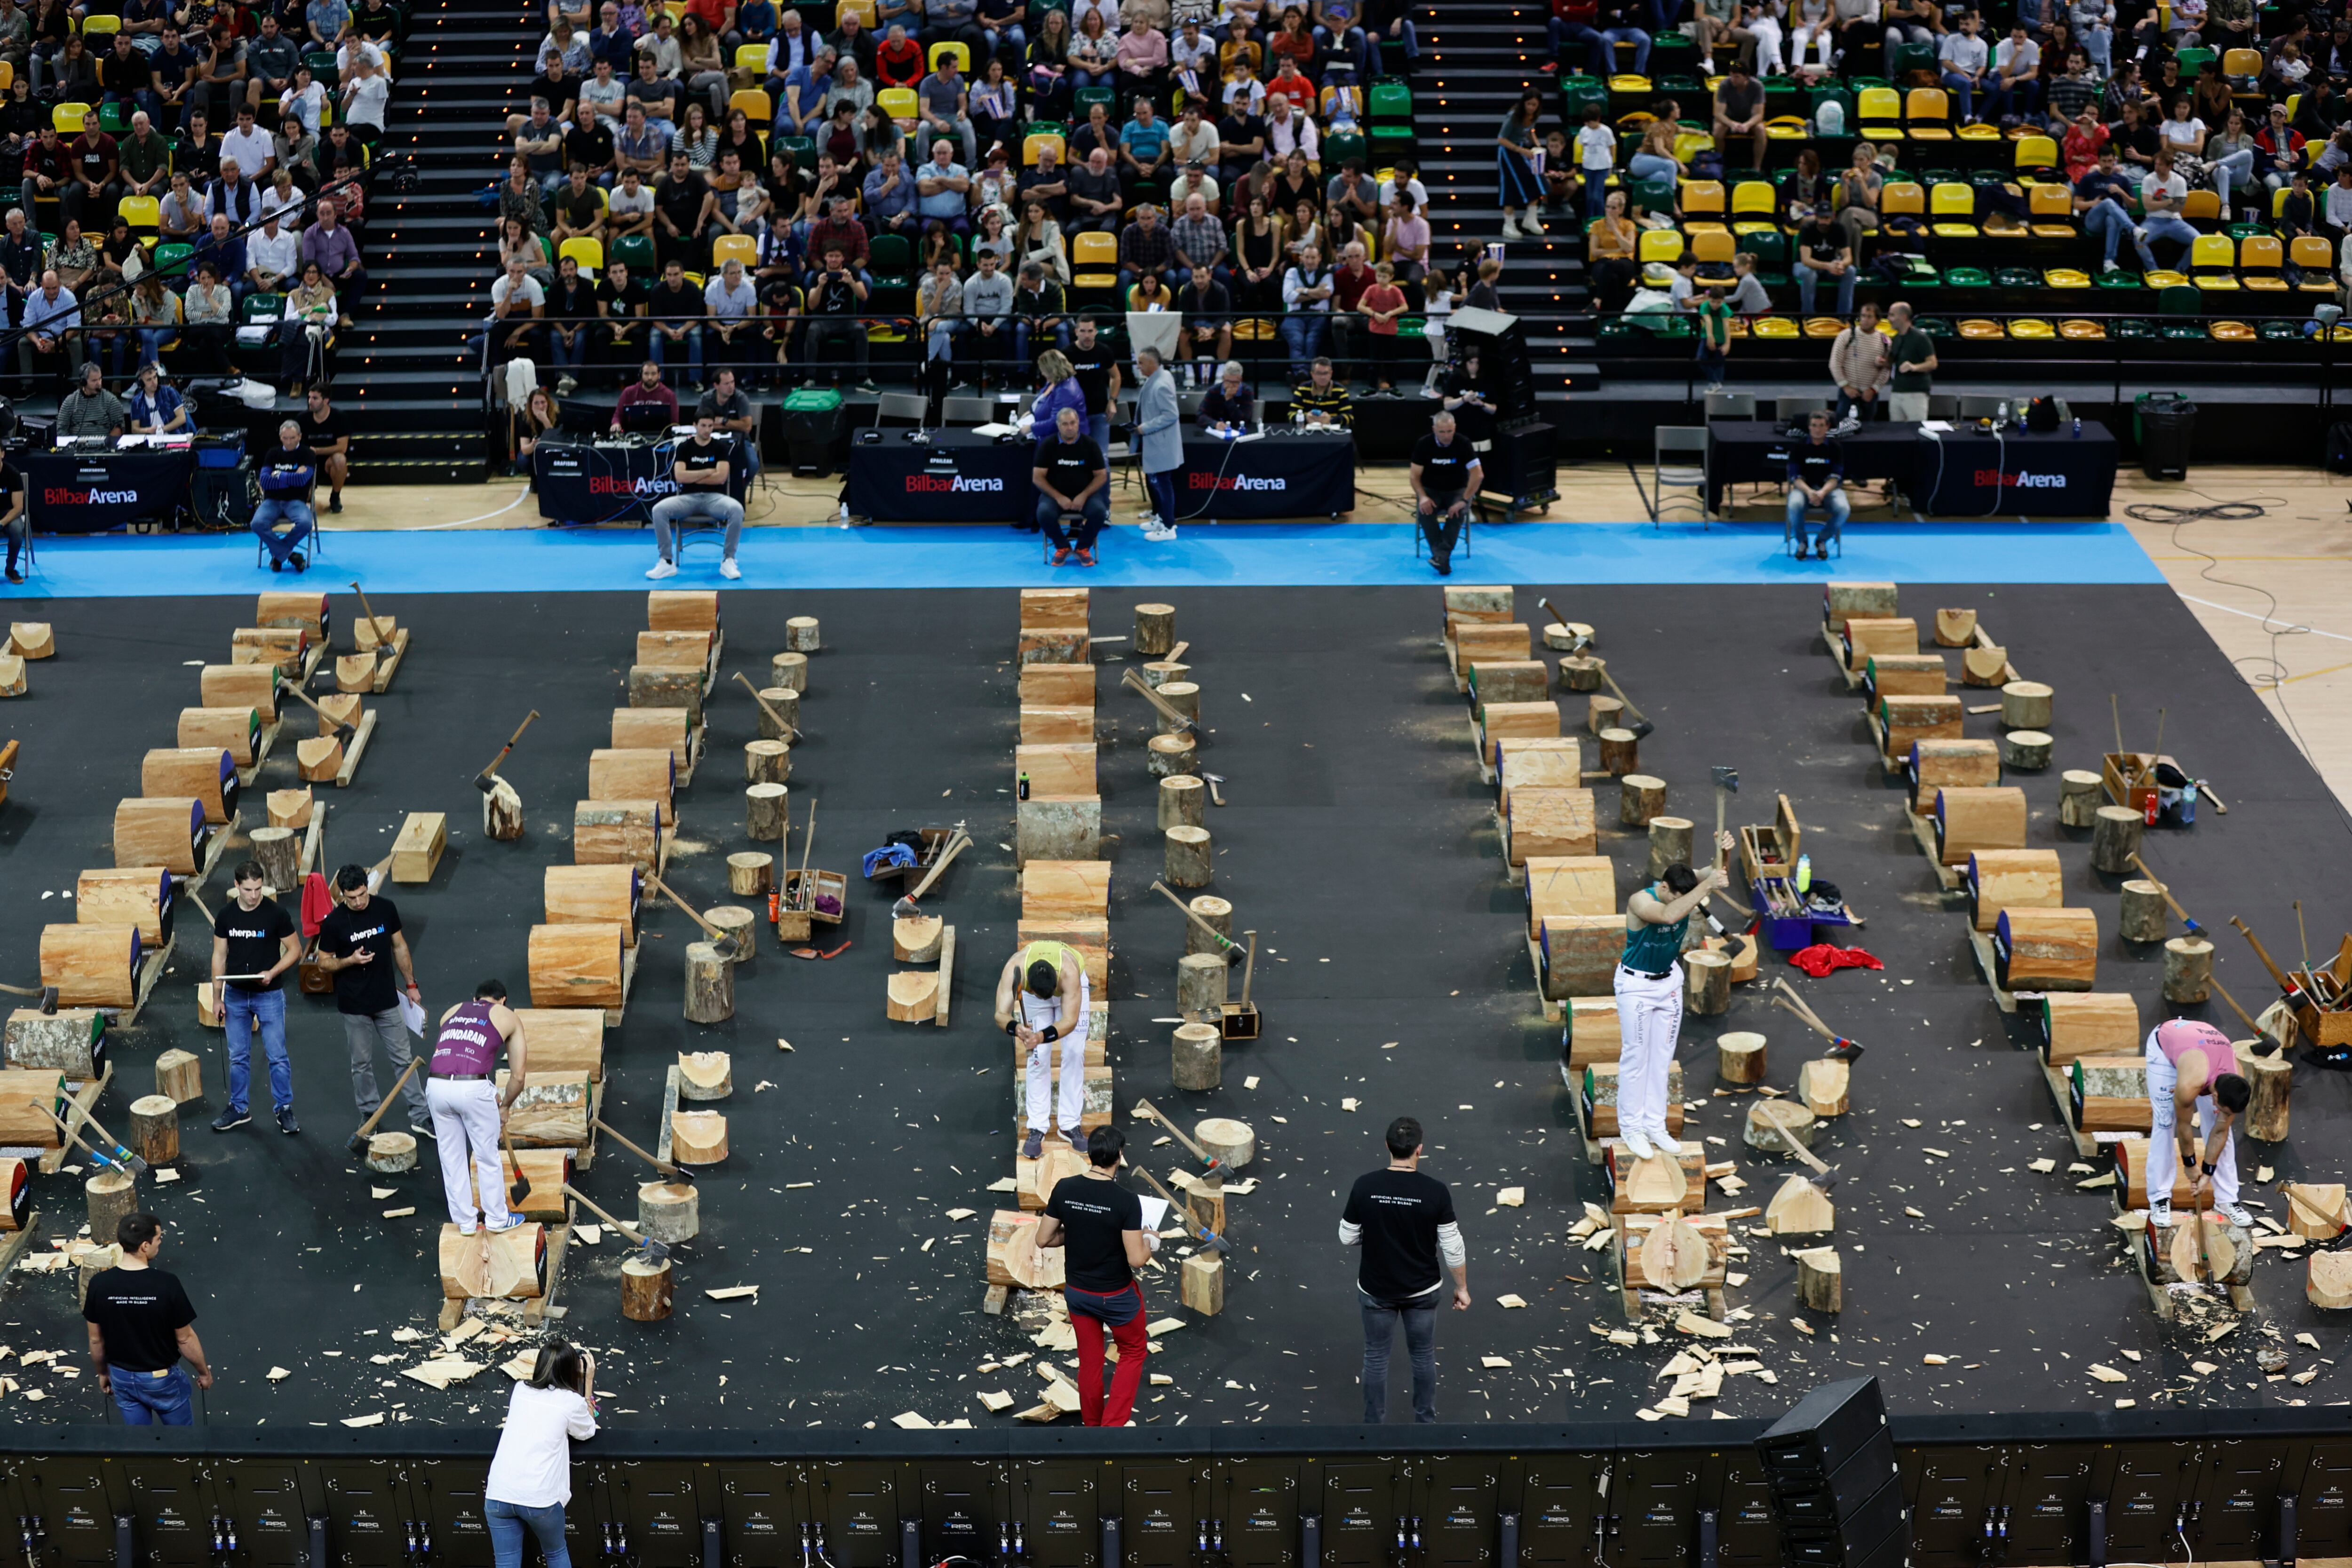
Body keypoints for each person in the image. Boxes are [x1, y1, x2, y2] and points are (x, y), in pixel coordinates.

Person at [1339, 1116, 1468, 1425]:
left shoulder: (1365, 1185)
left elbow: (1347, 1237)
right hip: (1422, 1291)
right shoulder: (1436, 1191)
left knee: (1376, 1357)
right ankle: (1426, 1423)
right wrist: (1461, 1288)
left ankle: (1373, 1428)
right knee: (1423, 1357)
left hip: (1376, 1290)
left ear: (1387, 1146)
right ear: (1419, 1150)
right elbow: (1452, 1247)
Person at [1613, 841, 1731, 1159]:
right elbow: (1668, 916)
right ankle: (1631, 1127)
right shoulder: (1641, 900)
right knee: (1636, 1059)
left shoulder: (1687, 882)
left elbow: (1715, 871)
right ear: (1663, 887)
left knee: (1662, 1058)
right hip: (1636, 986)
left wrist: (1724, 852)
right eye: (1678, 898)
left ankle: (1655, 1124)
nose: (1684, 907)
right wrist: (1706, 886)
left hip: (1668, 982)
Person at [1036, 1125, 1155, 1426]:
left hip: (1078, 1293)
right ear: (1120, 1156)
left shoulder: (1065, 1188)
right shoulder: (1127, 1201)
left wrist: (1077, 1230)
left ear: (1090, 1155)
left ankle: (1092, 1427)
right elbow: (1137, 1260)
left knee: (1090, 1362)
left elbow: (1044, 1239)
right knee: (1132, 1352)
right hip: (1116, 1296)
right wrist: (1152, 1240)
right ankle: (1111, 1431)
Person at [315, 861, 430, 1140]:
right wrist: (350, 961)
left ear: (368, 887)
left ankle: (421, 1115)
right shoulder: (333, 923)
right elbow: (323, 964)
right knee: (362, 1064)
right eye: (351, 897)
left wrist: (411, 985)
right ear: (342, 894)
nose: (358, 902)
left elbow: (400, 945)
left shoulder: (385, 908)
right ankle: (370, 1113)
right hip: (354, 1006)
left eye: (362, 895)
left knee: (404, 1059)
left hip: (387, 1000)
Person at [83, 1213, 211, 1426]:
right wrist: (203, 1373)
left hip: (121, 1377)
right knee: (181, 1442)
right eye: (158, 1238)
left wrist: (103, 1373)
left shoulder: (98, 1284)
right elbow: (185, 1339)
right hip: (161, 1380)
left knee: (140, 1443)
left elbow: (96, 1340)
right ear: (144, 1246)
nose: (160, 1243)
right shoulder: (167, 1284)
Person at [427, 979, 529, 1234]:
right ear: (503, 1000)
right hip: (473, 1086)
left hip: (436, 1085)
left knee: (451, 1156)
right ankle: (497, 1218)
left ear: (475, 999)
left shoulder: (451, 1011)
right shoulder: (508, 1016)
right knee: (486, 1155)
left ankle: (465, 1222)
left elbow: (451, 1051)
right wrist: (504, 1105)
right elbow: (518, 1076)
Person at [486, 1340, 599, 1568]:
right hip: (539, 1499)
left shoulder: (519, 1389)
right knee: (556, 1554)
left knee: (506, 1563)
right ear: (571, 1370)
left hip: (498, 1495)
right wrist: (587, 1381)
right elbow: (587, 1429)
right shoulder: (570, 1402)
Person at [210, 858, 302, 1134]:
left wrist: (273, 972)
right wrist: (217, 998)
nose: (254, 896)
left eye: (258, 889)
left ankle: (284, 1109)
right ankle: (239, 1108)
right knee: (238, 1056)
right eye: (248, 890)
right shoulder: (226, 916)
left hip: (269, 995)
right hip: (236, 996)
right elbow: (219, 956)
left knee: (278, 1056)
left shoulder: (275, 914)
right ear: (236, 885)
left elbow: (296, 950)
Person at [2145, 1018, 2256, 1227]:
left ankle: (2227, 1200)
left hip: (2203, 1041)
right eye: (2222, 1108)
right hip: (2166, 1044)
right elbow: (2184, 1126)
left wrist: (2207, 1173)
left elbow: (2220, 1131)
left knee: (2223, 1128)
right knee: (2164, 1122)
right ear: (2214, 1096)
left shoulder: (2236, 1080)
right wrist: (2190, 1165)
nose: (2224, 1113)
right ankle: (2159, 1197)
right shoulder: (2190, 1084)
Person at [995, 936, 1091, 1158]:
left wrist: (1040, 1035)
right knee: (1038, 1057)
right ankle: (1037, 1127)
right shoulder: (1014, 969)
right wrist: (1016, 1028)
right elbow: (1000, 1014)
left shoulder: (1069, 973)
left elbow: (1069, 1021)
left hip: (1069, 993)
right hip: (1032, 999)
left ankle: (1069, 1124)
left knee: (1074, 1052)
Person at [647, 413, 744, 578]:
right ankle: (667, 562)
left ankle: (729, 560)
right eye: (703, 426)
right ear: (695, 425)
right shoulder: (684, 448)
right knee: (659, 510)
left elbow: (721, 478)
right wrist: (708, 471)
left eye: (710, 426)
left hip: (715, 498)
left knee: (737, 509)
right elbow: (680, 477)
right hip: (688, 498)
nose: (707, 430)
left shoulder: (720, 447)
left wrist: (693, 475)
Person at [1032, 406, 1109, 566]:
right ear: (1059, 425)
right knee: (1044, 513)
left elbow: (1101, 476)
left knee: (1100, 512)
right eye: (1065, 424)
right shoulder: (1048, 445)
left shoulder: (1090, 445)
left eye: (1073, 423)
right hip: (1055, 495)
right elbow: (1038, 478)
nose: (1070, 427)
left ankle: (1083, 548)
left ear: (1078, 422)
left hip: (1085, 494)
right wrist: (1059, 497)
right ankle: (1063, 547)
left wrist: (1084, 495)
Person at [1408, 410, 1480, 576]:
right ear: (1434, 429)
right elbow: (1414, 476)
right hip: (1432, 490)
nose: (1447, 436)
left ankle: (1440, 556)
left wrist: (1464, 500)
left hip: (1457, 490)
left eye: (1450, 431)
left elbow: (1478, 474)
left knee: (1459, 512)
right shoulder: (1424, 444)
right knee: (1425, 511)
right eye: (1442, 432)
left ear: (1455, 428)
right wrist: (1423, 497)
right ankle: (1442, 557)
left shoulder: (1464, 443)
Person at [251, 419, 318, 571]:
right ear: (281, 437)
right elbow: (265, 482)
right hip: (272, 501)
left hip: (296, 501)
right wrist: (292, 476)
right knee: (256, 524)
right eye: (285, 438)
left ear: (300, 437)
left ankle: (279, 555)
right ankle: (290, 555)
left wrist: (278, 475)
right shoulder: (272, 453)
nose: (289, 442)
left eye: (293, 438)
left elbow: (302, 480)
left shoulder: (308, 454)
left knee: (305, 523)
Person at [1134, 343, 1182, 541]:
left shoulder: (1161, 384)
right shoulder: (1160, 376)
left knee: (1163, 485)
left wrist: (1145, 427)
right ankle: (1161, 518)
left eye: (1141, 363)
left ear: (1152, 363)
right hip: (1158, 443)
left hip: (1161, 444)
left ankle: (1169, 527)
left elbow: (1171, 414)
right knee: (1159, 484)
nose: (1138, 366)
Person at [1786, 410, 1847, 558]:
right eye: (1814, 425)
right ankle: (1803, 542)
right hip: (1804, 490)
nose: (1817, 429)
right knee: (1794, 505)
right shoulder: (1798, 447)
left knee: (1844, 509)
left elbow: (1836, 477)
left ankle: (1822, 540)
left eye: (1821, 426)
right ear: (1809, 427)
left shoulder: (1835, 448)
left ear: (1828, 427)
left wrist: (1822, 493)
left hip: (1829, 491)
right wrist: (1810, 492)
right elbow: (1794, 476)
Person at [1828, 300, 1887, 429]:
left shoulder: (1885, 341)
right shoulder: (1846, 336)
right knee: (1842, 429)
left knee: (1868, 430)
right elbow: (1835, 363)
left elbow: (1887, 369)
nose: (1865, 320)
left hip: (1870, 395)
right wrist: (1846, 387)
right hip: (1848, 393)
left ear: (1878, 320)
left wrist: (1873, 389)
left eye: (1869, 317)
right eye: (1863, 316)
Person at [1496, 87, 1543, 238]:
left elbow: (1530, 131)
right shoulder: (1513, 116)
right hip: (1508, 153)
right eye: (1528, 104)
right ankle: (1508, 225)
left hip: (1522, 151)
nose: (1531, 108)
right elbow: (1501, 139)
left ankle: (1530, 218)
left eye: (1534, 105)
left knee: (1537, 181)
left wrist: (1537, 145)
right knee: (1511, 187)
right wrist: (1520, 150)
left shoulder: (1534, 116)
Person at [300, 384, 351, 512]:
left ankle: (335, 497)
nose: (310, 401)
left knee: (340, 459)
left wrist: (318, 451)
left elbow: (342, 447)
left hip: (329, 461)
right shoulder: (302, 418)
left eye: (315, 398)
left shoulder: (340, 417)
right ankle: (309, 492)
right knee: (304, 499)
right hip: (309, 462)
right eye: (309, 398)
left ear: (326, 400)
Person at [1883, 300, 1935, 421]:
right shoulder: (1896, 339)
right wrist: (1883, 362)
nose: (1889, 318)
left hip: (1915, 395)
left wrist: (1914, 367)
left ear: (1904, 317)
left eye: (1892, 315)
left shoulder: (1920, 338)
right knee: (1897, 434)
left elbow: (1933, 363)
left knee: (1916, 432)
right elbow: (1892, 363)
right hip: (1896, 393)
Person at [55, 360, 127, 437]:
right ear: (84, 382)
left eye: (100, 379)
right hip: (76, 447)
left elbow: (120, 427)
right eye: (94, 381)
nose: (99, 384)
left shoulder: (111, 400)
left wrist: (106, 443)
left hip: (104, 447)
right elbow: (61, 429)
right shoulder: (70, 401)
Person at [1291, 354, 1353, 428]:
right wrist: (1306, 418)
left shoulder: (1340, 391)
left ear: (1331, 374)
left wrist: (1331, 420)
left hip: (1332, 434)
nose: (1323, 377)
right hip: (1308, 434)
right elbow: (1291, 415)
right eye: (1319, 373)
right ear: (1312, 374)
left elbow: (1349, 417)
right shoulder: (1302, 389)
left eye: (1326, 373)